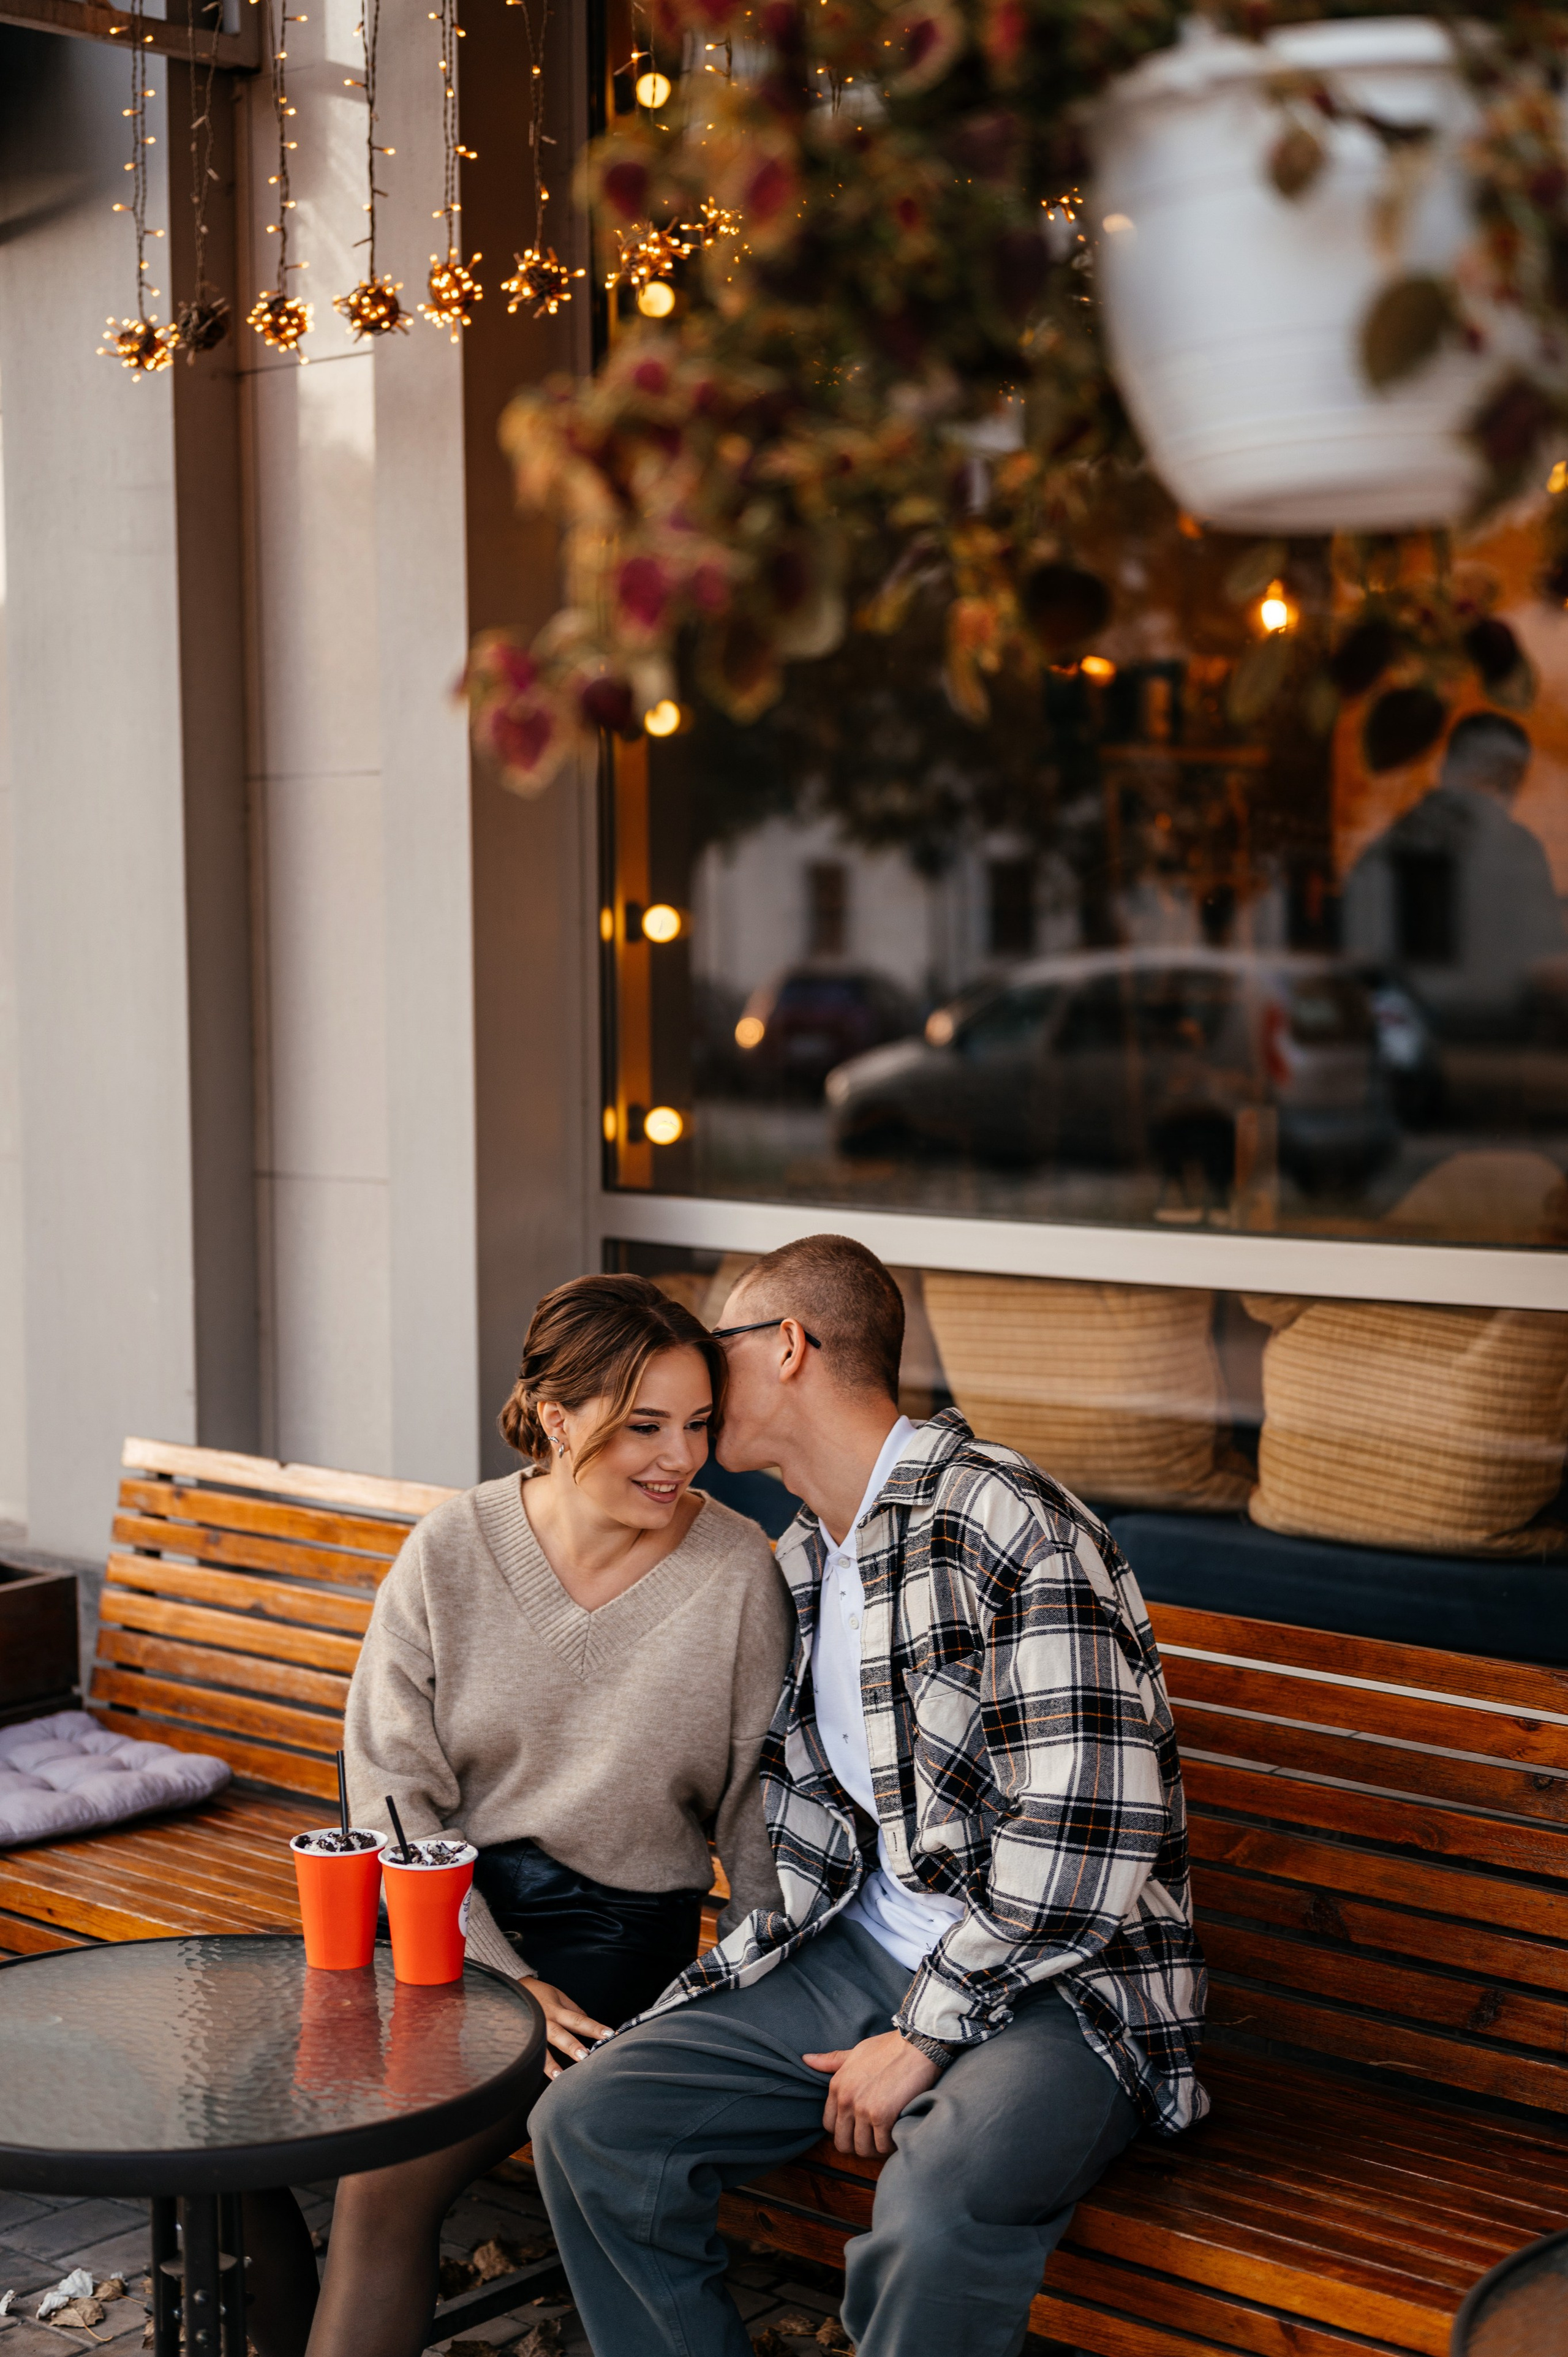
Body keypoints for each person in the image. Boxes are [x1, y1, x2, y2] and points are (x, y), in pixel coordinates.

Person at [530, 1234, 1207, 2357]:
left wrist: (928, 2030)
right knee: (596, 2121)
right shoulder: (800, 1560)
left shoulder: (1004, 1519)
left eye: (716, 1350)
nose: (694, 1389)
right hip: (865, 1952)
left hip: (1066, 1989)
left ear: (787, 1346)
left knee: (934, 2209)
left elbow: (1089, 1829)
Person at [240, 1273, 793, 2357]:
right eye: (643, 1424)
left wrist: (757, 2002)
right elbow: (391, 1788)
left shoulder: (737, 1575)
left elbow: (759, 1822)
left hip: (615, 1938)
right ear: (556, 1415)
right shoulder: (451, 1549)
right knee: (238, 2123)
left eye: (696, 1424)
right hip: (446, 1917)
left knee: (383, 2182)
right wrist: (492, 1969)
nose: (679, 1457)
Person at [1341, 711, 1564, 1041]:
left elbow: (1360, 958)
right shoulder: (1520, 852)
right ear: (1512, 781)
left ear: (1445, 767)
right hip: (1492, 1044)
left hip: (1405, 1037)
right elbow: (1546, 962)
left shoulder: (1388, 848)